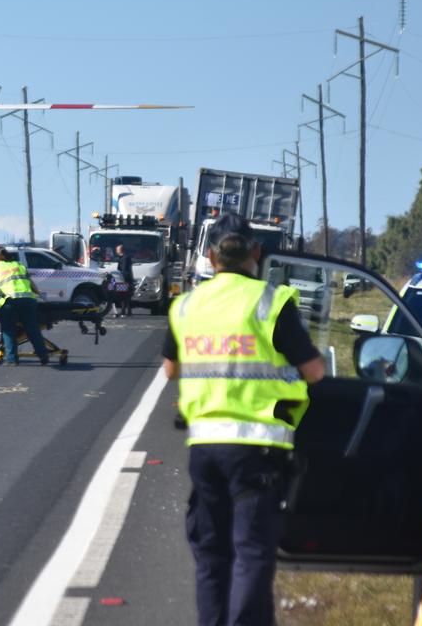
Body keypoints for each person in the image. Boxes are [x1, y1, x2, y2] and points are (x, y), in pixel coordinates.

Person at [162, 214, 326, 626]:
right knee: (251, 550)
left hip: (204, 447)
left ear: (209, 255)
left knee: (211, 554)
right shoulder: (270, 302)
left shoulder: (186, 305)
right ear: (256, 253)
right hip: (258, 446)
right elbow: (315, 372)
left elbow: (170, 369)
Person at [0, 247, 50, 366]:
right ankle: (43, 355)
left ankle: (12, 360)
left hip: (9, 303)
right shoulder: (19, 265)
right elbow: (31, 283)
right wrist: (40, 296)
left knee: (9, 330)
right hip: (28, 301)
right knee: (33, 329)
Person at [115, 243, 135, 317]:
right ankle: (126, 311)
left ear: (120, 250)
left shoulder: (125, 258)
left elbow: (124, 270)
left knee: (124, 295)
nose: (116, 250)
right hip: (123, 279)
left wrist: (121, 278)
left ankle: (125, 311)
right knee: (124, 296)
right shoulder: (122, 257)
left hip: (125, 280)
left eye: (117, 249)